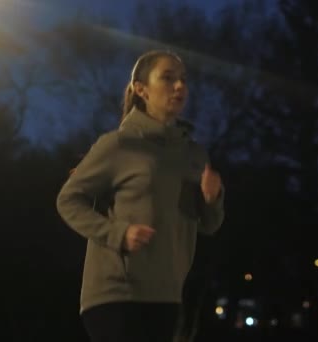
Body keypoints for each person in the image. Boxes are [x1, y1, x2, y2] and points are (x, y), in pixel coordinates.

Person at [56, 49, 225, 342]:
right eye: (168, 78)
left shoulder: (193, 154)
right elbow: (68, 200)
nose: (180, 86)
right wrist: (118, 233)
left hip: (167, 293)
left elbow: (208, 225)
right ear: (141, 89)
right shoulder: (119, 145)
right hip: (116, 293)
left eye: (183, 80)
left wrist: (213, 199)